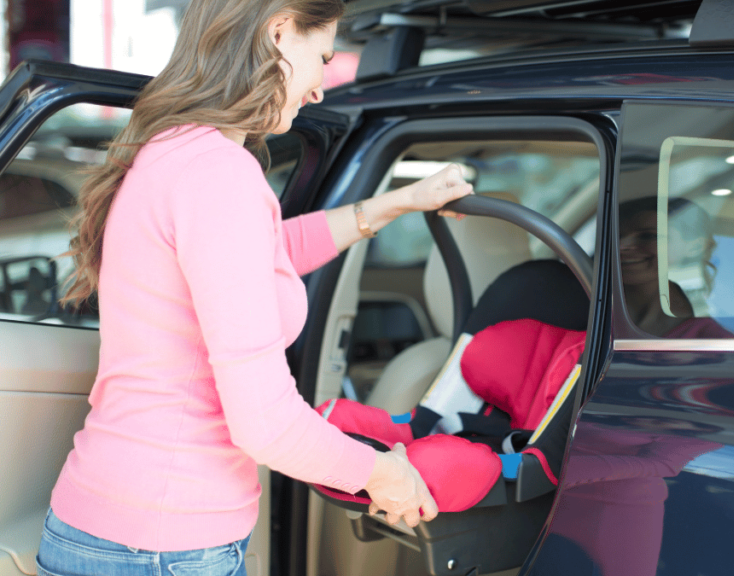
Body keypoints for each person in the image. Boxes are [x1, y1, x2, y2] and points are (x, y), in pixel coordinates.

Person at [36, 1, 471, 575]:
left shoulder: (174, 151)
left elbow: (268, 254)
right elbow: (264, 422)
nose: (319, 88)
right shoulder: (219, 172)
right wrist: (379, 473)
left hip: (100, 527)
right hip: (166, 545)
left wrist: (396, 203)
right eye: (322, 56)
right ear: (279, 29)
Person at [618, 196, 731, 338]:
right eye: (616, 235)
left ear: (695, 246)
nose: (621, 246)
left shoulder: (712, 339)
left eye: (649, 236)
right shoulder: (590, 311)